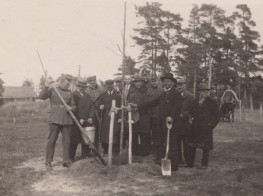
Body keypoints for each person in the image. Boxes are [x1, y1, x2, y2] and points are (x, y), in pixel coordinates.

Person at [129, 73, 183, 171]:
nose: (166, 83)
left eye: (168, 81)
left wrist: (172, 117)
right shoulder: (164, 93)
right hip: (162, 123)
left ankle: (174, 166)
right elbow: (152, 103)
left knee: (171, 144)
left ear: (172, 83)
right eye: (164, 81)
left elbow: (177, 107)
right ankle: (160, 162)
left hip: (171, 124)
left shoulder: (176, 93)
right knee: (160, 143)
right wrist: (137, 105)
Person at [38, 74, 77, 170]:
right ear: (62, 81)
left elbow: (74, 106)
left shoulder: (69, 93)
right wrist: (46, 85)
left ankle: (66, 161)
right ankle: (48, 161)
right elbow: (41, 96)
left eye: (70, 83)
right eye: (67, 83)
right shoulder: (53, 89)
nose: (68, 85)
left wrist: (71, 107)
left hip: (66, 119)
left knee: (67, 141)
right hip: (54, 118)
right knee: (51, 141)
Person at [188, 83, 220, 169]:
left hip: (206, 127)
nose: (202, 94)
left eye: (204, 92)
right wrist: (190, 118)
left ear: (208, 92)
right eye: (201, 92)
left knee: (205, 147)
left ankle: (204, 164)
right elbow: (190, 112)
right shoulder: (194, 102)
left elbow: (217, 116)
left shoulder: (212, 102)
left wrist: (211, 125)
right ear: (198, 92)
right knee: (192, 146)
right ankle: (190, 163)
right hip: (195, 127)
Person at [70, 77, 96, 161]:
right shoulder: (73, 95)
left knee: (86, 139)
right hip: (76, 121)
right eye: (80, 86)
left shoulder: (87, 96)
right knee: (74, 140)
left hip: (87, 120)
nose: (82, 88)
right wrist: (79, 118)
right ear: (77, 86)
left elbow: (92, 107)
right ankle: (71, 157)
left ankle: (85, 156)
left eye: (84, 86)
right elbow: (74, 109)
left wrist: (91, 117)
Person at [127, 75, 153, 157]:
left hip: (144, 115)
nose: (137, 84)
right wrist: (129, 107)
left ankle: (145, 152)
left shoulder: (147, 91)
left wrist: (136, 106)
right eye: (136, 82)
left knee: (144, 134)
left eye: (139, 82)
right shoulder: (131, 91)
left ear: (143, 83)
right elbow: (128, 101)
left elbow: (149, 104)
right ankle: (135, 152)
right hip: (134, 115)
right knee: (134, 133)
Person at [95, 79, 121, 156]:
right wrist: (100, 107)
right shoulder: (103, 95)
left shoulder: (118, 95)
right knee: (105, 134)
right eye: (107, 86)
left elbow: (120, 107)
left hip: (115, 117)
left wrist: (119, 117)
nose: (109, 87)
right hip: (106, 118)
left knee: (115, 133)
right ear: (106, 86)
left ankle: (115, 151)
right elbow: (97, 104)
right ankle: (106, 151)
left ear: (113, 86)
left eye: (111, 86)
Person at [176, 79, 195, 167]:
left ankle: (189, 162)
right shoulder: (175, 96)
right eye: (178, 85)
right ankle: (178, 160)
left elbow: (193, 110)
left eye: (181, 85)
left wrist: (184, 115)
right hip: (176, 124)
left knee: (187, 144)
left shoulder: (191, 97)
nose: (179, 87)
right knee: (176, 143)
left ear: (185, 86)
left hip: (186, 124)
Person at [148, 76, 164, 154]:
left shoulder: (161, 90)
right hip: (148, 114)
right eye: (152, 81)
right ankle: (149, 148)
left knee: (156, 132)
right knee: (147, 132)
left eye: (155, 81)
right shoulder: (147, 90)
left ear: (158, 81)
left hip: (157, 114)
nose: (154, 83)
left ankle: (156, 148)